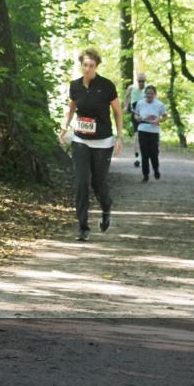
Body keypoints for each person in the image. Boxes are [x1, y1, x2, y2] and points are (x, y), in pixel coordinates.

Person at [59, 48, 123, 241]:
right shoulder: (75, 86)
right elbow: (71, 109)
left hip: (103, 142)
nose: (87, 69)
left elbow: (118, 112)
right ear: (81, 65)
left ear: (96, 66)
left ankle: (106, 206)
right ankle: (83, 227)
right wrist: (64, 128)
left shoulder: (106, 86)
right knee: (80, 183)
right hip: (80, 141)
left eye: (91, 66)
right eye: (85, 65)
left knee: (98, 184)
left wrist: (119, 137)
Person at [133, 84, 167, 182]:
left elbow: (165, 116)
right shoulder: (140, 103)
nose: (149, 95)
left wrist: (159, 120)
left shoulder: (159, 104)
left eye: (151, 94)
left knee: (154, 153)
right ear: (145, 94)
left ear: (155, 94)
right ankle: (145, 175)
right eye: (148, 93)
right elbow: (136, 114)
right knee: (144, 154)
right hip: (142, 130)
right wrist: (137, 118)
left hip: (154, 131)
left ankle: (156, 169)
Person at [124, 72, 147, 167]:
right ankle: (137, 157)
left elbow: (154, 97)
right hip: (136, 113)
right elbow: (126, 97)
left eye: (143, 81)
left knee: (145, 136)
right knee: (138, 135)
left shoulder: (148, 88)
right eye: (139, 81)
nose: (141, 83)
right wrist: (125, 106)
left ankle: (142, 156)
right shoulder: (132, 88)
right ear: (137, 81)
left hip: (146, 114)